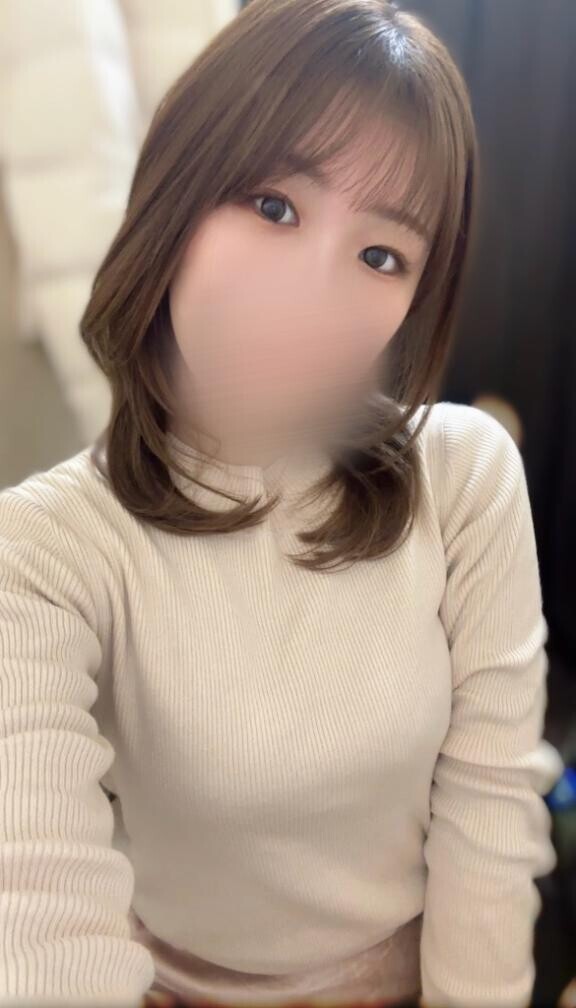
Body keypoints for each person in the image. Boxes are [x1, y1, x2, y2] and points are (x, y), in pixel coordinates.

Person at [0, 0, 558, 1006]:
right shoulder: (43, 551)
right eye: (273, 206)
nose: (312, 293)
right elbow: (35, 904)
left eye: (381, 256)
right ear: (179, 189)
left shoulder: (464, 477)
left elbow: (491, 807)